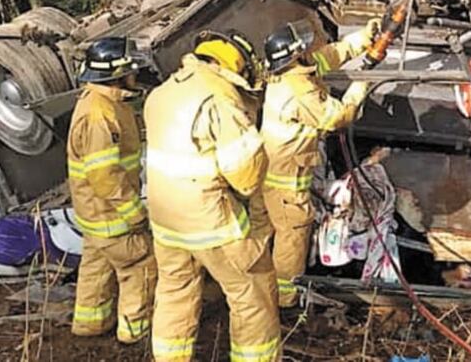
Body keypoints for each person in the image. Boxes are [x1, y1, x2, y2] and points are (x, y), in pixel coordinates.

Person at [144, 30, 280, 362]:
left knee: (174, 291)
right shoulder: (220, 97)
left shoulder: (161, 93)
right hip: (211, 223)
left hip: (165, 222)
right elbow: (245, 175)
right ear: (236, 64)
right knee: (251, 291)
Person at [259, 18, 381, 306]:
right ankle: (285, 301)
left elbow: (329, 56)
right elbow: (336, 116)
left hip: (275, 177)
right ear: (293, 55)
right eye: (302, 48)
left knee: (267, 233)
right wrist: (361, 84)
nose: (308, 50)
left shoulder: (294, 72)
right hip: (286, 185)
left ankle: (264, 291)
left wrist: (363, 37)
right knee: (292, 237)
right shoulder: (297, 90)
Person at [68, 37, 156, 345]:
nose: (135, 76)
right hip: (111, 215)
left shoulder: (98, 102)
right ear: (116, 75)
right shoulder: (100, 115)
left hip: (93, 214)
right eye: (130, 71)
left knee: (97, 266)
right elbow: (105, 176)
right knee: (140, 265)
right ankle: (134, 333)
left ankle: (89, 323)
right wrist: (135, 214)